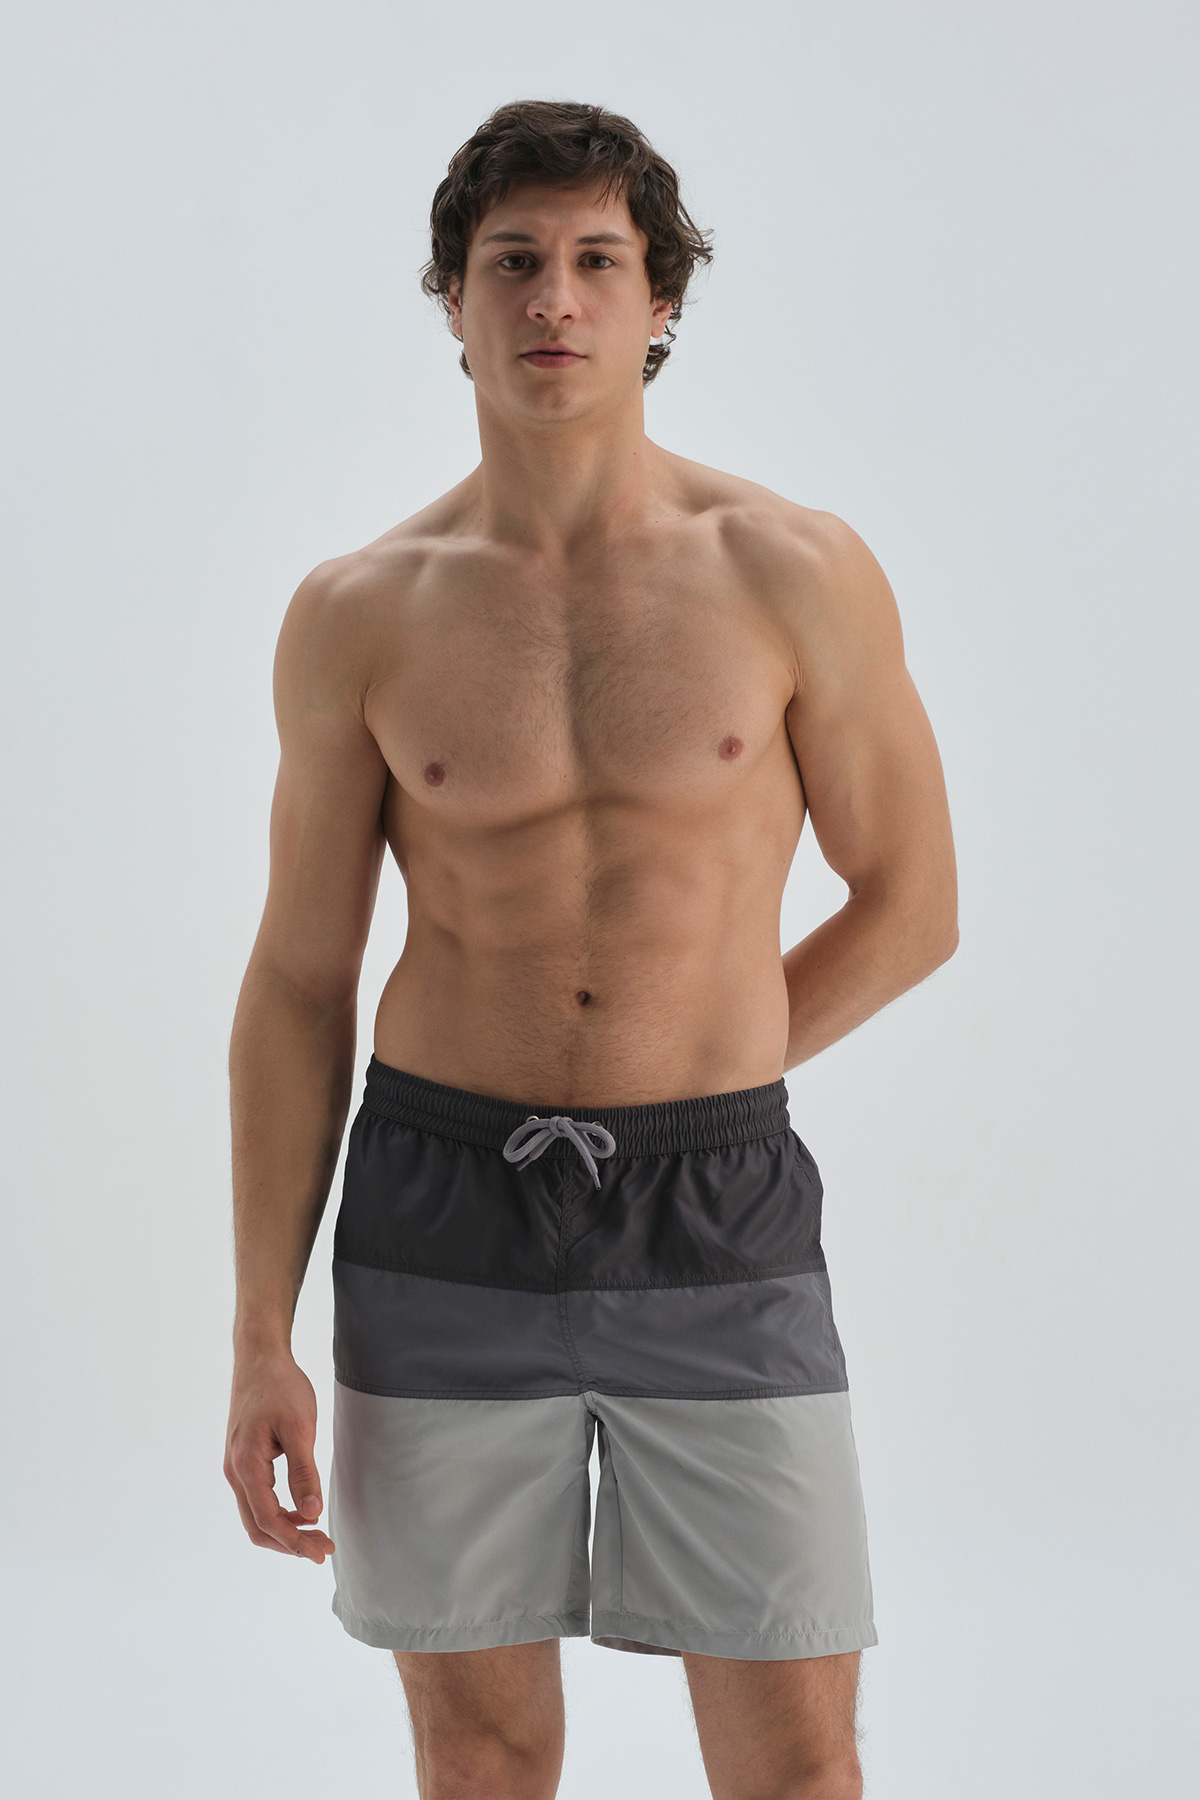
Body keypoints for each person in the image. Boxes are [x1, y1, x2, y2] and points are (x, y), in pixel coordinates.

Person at [223, 98, 958, 1800]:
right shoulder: (361, 610)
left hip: (716, 1208)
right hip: (439, 1209)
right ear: (453, 299)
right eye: (513, 262)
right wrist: (261, 1326)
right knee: (480, 1755)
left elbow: (913, 901)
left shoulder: (791, 571)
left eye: (597, 261)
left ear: (660, 302)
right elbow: (299, 979)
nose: (554, 298)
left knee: (794, 1758)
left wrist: (708, 1059)